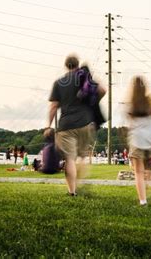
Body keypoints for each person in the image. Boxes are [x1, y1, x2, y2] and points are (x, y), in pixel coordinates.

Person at [45, 55, 105, 196]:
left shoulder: (59, 82)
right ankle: (80, 181)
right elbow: (102, 90)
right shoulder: (85, 78)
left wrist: (48, 125)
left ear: (66, 65)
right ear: (77, 65)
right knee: (82, 157)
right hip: (86, 124)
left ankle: (72, 191)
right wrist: (92, 101)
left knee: (69, 159)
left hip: (66, 126)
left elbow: (53, 106)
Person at [126, 76, 151, 206]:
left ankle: (143, 200)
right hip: (149, 140)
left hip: (136, 140)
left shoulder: (131, 103)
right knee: (147, 168)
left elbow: (130, 124)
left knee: (138, 173)